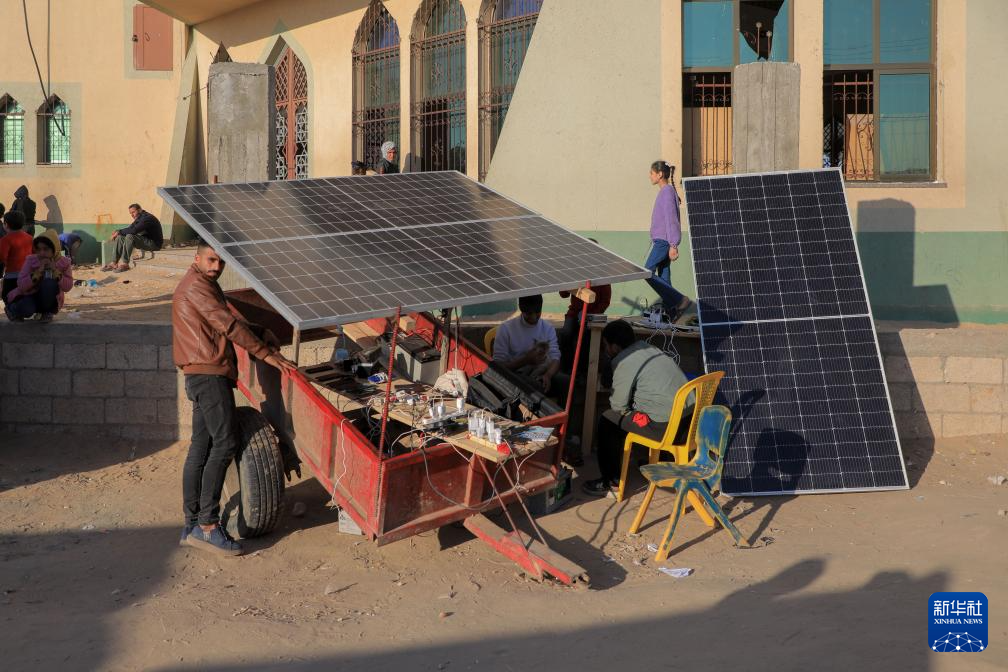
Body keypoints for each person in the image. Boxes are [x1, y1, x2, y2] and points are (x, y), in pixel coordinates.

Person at [173, 239, 297, 556]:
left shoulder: (203, 284)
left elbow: (224, 319)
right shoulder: (197, 286)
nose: (216, 267)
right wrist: (265, 353)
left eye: (221, 262)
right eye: (211, 260)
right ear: (197, 258)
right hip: (209, 374)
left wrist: (258, 330)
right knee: (225, 443)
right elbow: (226, 324)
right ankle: (207, 526)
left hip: (202, 373)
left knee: (202, 447)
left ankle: (192, 524)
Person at [582, 319, 691, 496]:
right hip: (690, 424)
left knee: (608, 420)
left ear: (614, 347)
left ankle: (611, 482)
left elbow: (618, 406)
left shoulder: (623, 361)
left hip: (667, 430)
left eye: (605, 345)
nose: (605, 350)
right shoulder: (649, 348)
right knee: (647, 410)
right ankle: (658, 463)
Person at [645, 160, 691, 320]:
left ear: (660, 174)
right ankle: (671, 313)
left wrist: (673, 244)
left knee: (647, 271)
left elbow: (671, 220)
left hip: (664, 241)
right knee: (664, 276)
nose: (649, 176)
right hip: (663, 240)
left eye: (652, 173)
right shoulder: (666, 192)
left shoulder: (666, 192)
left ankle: (680, 299)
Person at [492, 295, 563, 395]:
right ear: (521, 309)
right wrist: (525, 360)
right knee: (537, 386)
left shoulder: (548, 328)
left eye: (537, 312)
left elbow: (555, 357)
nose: (533, 317)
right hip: (515, 376)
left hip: (542, 372)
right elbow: (498, 367)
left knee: (567, 384)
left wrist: (548, 375)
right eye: (529, 313)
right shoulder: (505, 329)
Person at [5, 232, 73, 323]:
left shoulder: (64, 263)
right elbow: (21, 285)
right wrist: (37, 272)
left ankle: (47, 312)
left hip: (49, 300)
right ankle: (12, 309)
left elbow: (67, 287)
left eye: (46, 249)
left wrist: (55, 270)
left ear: (54, 248)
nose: (42, 253)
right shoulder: (31, 260)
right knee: (27, 309)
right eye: (39, 249)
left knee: (49, 283)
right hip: (29, 295)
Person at [103, 203, 164, 272]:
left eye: (133, 212)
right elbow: (130, 228)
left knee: (130, 236)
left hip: (154, 244)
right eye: (130, 213)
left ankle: (125, 264)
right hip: (146, 241)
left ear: (140, 210)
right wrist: (118, 231)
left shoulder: (147, 218)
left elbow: (134, 230)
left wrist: (119, 231)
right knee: (120, 237)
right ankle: (114, 263)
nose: (132, 215)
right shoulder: (139, 218)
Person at [0, 212, 33, 305]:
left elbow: (2, 257)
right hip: (28, 275)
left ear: (6, 224)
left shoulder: (5, 240)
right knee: (24, 297)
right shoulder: (30, 238)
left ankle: (12, 310)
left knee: (8, 298)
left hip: (11, 276)